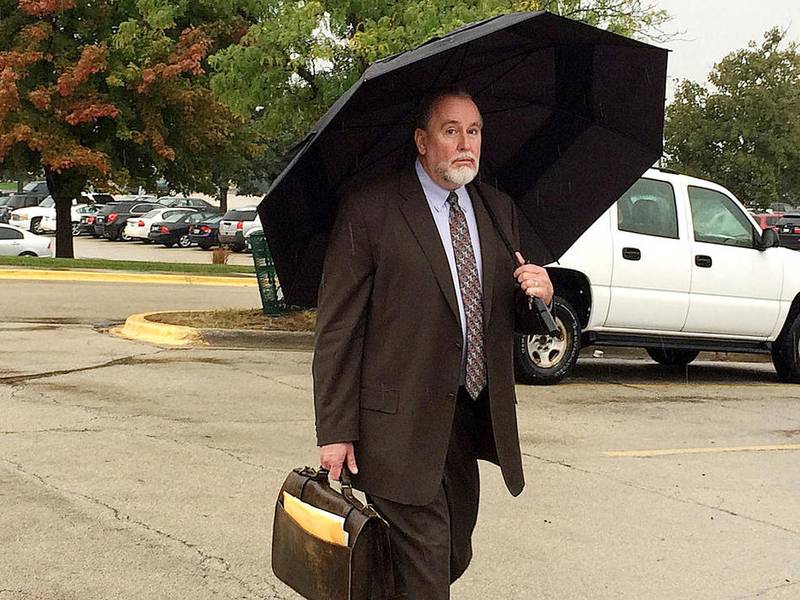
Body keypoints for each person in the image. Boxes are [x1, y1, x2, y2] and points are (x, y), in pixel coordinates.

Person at [312, 89, 554, 599]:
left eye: (475, 131)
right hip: (394, 428)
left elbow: (502, 313)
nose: (466, 143)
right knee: (426, 566)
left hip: (466, 420)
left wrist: (538, 295)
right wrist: (335, 430)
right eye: (451, 131)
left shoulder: (494, 208)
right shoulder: (372, 210)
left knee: (452, 554)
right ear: (422, 141)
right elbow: (338, 329)